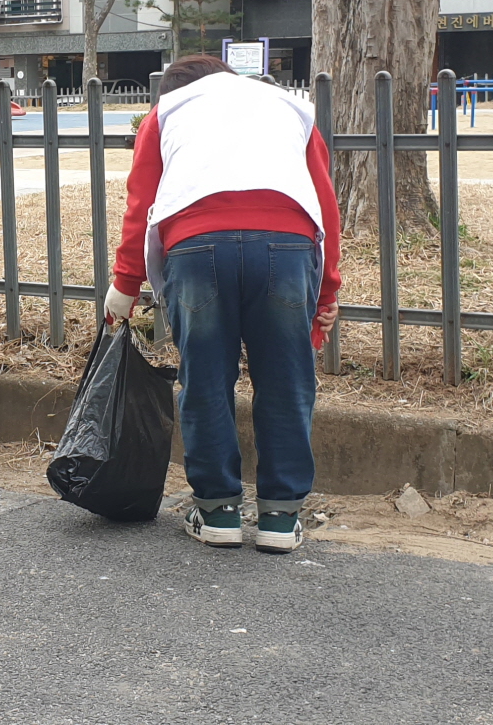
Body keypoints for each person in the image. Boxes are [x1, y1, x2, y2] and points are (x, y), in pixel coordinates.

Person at [106, 54, 341, 553]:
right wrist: (327, 290)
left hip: (197, 244)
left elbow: (141, 201)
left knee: (206, 379)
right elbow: (325, 201)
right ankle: (280, 517)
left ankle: (218, 511)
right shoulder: (287, 105)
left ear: (170, 89)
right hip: (287, 242)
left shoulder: (167, 112)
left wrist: (125, 284)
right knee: (285, 381)